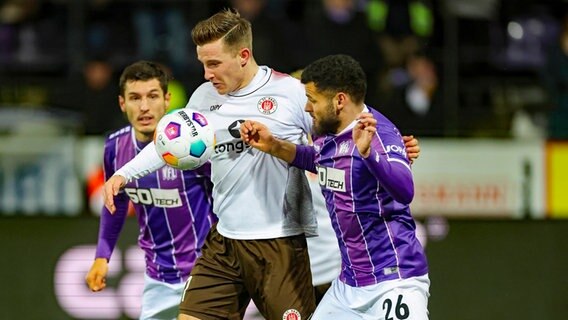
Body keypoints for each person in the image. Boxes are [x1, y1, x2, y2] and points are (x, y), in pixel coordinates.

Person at [103, 10, 421, 320]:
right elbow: (169, 143)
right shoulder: (203, 97)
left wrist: (389, 146)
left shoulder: (289, 94)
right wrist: (124, 173)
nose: (206, 74)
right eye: (203, 64)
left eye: (214, 64)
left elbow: (352, 115)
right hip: (225, 241)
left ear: (243, 55)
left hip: (279, 244)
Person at [240, 54, 430, 319]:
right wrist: (274, 146)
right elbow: (317, 159)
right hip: (348, 284)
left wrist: (369, 156)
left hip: (393, 279)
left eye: (313, 100)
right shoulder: (328, 133)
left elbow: (405, 191)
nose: (307, 108)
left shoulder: (378, 133)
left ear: (339, 100)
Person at [85, 61, 216, 320]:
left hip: (206, 273)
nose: (144, 107)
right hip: (157, 277)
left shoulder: (193, 144)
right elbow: (116, 204)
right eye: (135, 98)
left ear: (167, 100)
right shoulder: (115, 147)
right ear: (122, 103)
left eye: (152, 96)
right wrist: (102, 256)